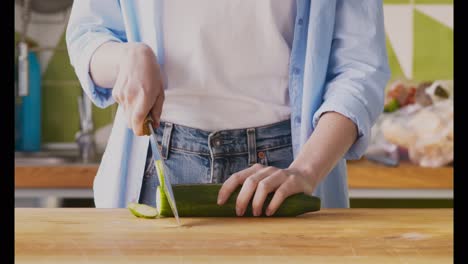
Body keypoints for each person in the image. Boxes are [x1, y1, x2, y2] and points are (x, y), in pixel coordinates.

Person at [66, 0, 390, 213]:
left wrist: (305, 170)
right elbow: (88, 34)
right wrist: (126, 57)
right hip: (158, 160)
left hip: (286, 168)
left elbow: (359, 68)